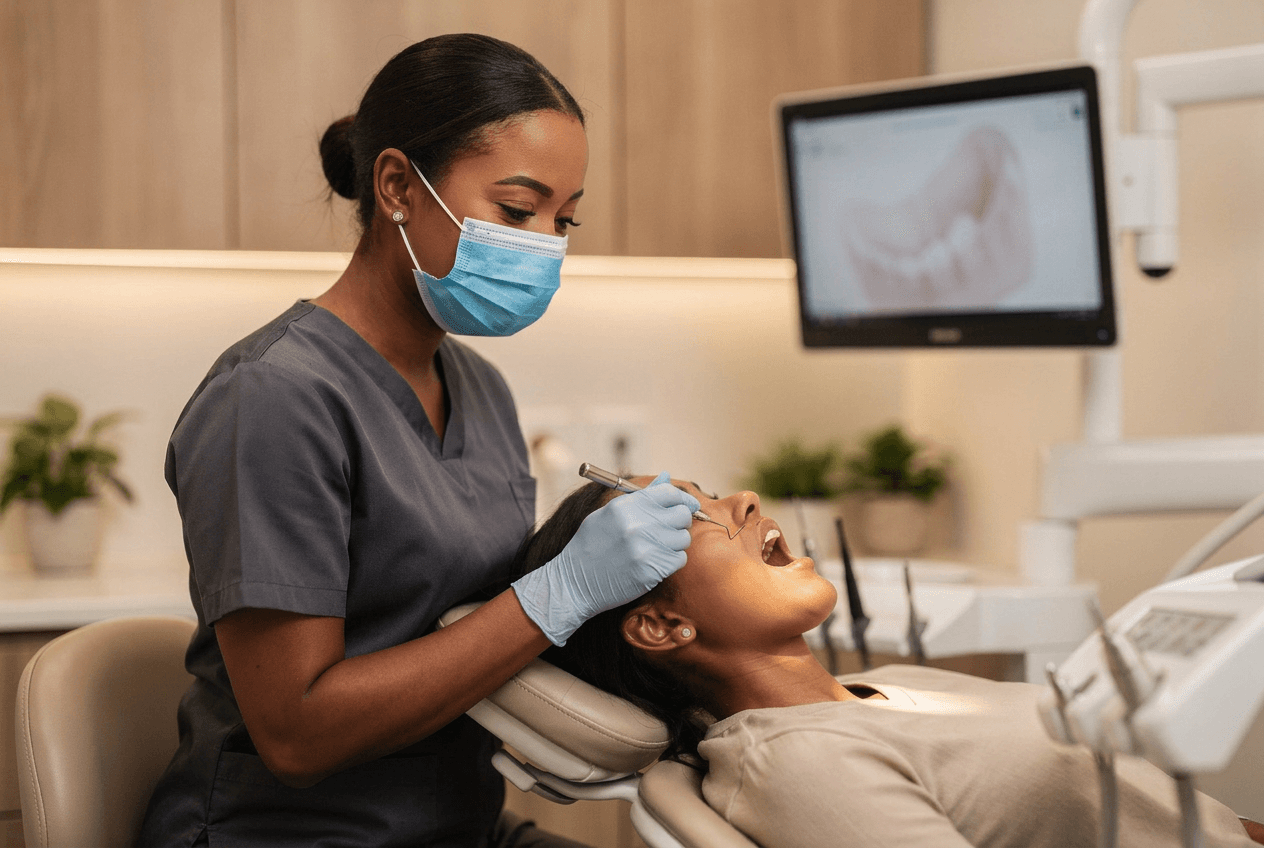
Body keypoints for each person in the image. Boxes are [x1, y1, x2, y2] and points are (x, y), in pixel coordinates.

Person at [139, 34, 701, 848]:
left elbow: (485, 632)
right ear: (398, 185)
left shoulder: (479, 388)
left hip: (459, 824)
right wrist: (561, 593)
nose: (543, 243)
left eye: (563, 220)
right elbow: (299, 737)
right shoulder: (272, 397)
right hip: (292, 834)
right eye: (517, 210)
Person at [517, 479, 1263, 848]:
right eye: (691, 513)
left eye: (714, 490)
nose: (744, 500)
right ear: (660, 625)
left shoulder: (886, 695)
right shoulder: (801, 764)